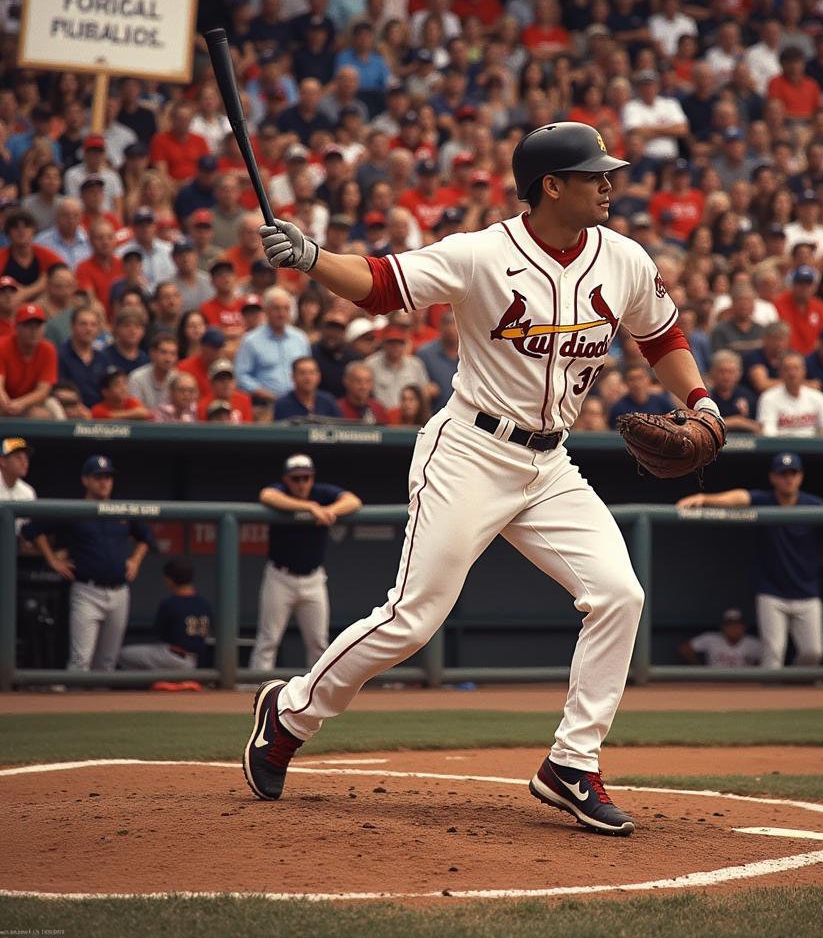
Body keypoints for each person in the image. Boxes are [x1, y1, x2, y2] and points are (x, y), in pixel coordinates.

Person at [246, 120, 723, 837]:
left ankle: (572, 763)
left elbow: (662, 337)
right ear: (550, 187)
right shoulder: (481, 254)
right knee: (413, 617)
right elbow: (381, 286)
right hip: (470, 450)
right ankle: (289, 713)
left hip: (550, 463)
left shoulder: (622, 258)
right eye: (593, 174)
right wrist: (313, 257)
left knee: (619, 593)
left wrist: (702, 402)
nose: (608, 184)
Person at [677, 452, 823, 670]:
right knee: (773, 655)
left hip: (807, 591)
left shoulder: (816, 506)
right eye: (783, 474)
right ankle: (771, 701)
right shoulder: (766, 500)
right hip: (772, 592)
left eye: (793, 473)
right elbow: (740, 497)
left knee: (813, 652)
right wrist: (704, 498)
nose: (788, 479)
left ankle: (796, 693)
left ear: (800, 477)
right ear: (773, 478)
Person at [23, 455, 155, 672]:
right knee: (80, 661)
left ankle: (102, 706)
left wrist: (135, 560)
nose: (104, 482)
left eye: (108, 478)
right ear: (86, 480)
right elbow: (32, 530)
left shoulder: (122, 510)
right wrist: (51, 559)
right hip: (86, 591)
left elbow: (146, 537)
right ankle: (73, 705)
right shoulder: (74, 510)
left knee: (107, 663)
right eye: (98, 477)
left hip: (120, 592)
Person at [251, 454, 362, 672]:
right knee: (268, 640)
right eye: (296, 479)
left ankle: (316, 692)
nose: (302, 483)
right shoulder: (281, 491)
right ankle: (259, 688)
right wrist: (309, 507)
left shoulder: (322, 492)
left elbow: (353, 501)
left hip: (313, 578)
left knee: (318, 643)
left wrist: (330, 510)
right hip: (280, 577)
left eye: (306, 478)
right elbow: (266, 495)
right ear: (286, 479)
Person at [118, 557, 213, 673]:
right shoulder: (204, 604)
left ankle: (154, 685)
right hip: (197, 660)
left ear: (170, 580)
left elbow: (159, 634)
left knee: (123, 654)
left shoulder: (170, 604)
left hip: (174, 657)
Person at [235, 286, 312, 408]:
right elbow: (241, 376)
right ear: (266, 311)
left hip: (298, 404)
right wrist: (264, 393)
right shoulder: (250, 340)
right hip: (265, 405)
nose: (281, 313)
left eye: (286, 309)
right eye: (276, 308)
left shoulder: (300, 338)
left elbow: (309, 370)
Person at [757, 352, 823, 437]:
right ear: (780, 373)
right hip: (781, 448)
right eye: (787, 369)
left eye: (796, 368)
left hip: (812, 447)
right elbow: (767, 432)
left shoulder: (817, 397)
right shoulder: (769, 397)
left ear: (804, 371)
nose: (792, 373)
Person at [0, 304, 59, 418]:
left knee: (46, 413)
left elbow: (43, 390)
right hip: (3, 401)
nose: (34, 330)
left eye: (38, 326)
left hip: (29, 403)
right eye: (28, 325)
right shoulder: (2, 346)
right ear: (16, 327)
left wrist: (21, 403)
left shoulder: (48, 349)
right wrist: (6, 404)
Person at [679, 608, 762, 667]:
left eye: (737, 624)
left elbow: (767, 660)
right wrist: (700, 669)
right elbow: (685, 648)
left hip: (744, 684)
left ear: (744, 627)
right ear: (722, 627)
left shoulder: (753, 643)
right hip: (716, 682)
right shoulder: (711, 639)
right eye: (729, 624)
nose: (733, 628)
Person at [274, 356, 340, 420]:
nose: (308, 378)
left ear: (318, 376)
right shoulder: (282, 405)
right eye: (302, 373)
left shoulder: (328, 401)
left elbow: (340, 428)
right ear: (293, 377)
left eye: (312, 373)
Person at [0, 435, 36, 543]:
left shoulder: (28, 491)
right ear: (2, 461)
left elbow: (26, 530)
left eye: (26, 458)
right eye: (18, 457)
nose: (24, 462)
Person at [610, 364, 676, 420]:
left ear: (649, 380)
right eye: (632, 379)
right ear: (625, 383)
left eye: (640, 378)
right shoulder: (619, 408)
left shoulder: (662, 402)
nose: (637, 383)